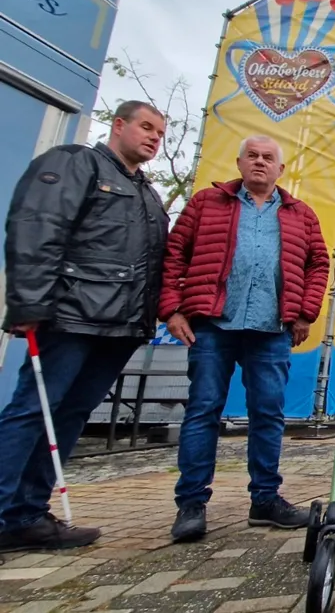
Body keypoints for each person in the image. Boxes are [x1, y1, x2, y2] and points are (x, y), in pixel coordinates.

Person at [0, 100, 169, 553]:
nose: (154, 137)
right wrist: (29, 302)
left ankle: (26, 514)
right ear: (118, 125)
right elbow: (38, 225)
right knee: (33, 411)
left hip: (119, 326)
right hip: (71, 317)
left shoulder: (148, 194)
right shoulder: (76, 164)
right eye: (146, 127)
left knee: (71, 416)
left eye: (160, 133)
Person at [159, 135, 330, 542]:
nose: (259, 162)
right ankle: (191, 504)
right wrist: (171, 309)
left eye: (268, 158)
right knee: (203, 411)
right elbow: (174, 255)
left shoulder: (300, 214)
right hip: (212, 326)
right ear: (238, 162)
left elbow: (318, 263)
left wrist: (305, 312)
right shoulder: (205, 203)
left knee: (268, 415)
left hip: (271, 330)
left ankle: (266, 499)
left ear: (280, 169)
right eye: (252, 156)